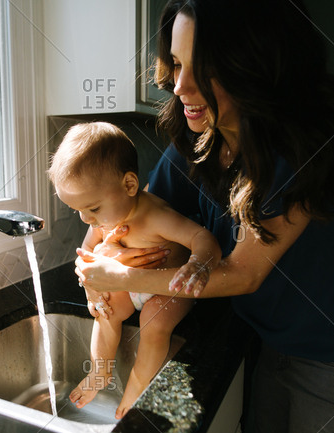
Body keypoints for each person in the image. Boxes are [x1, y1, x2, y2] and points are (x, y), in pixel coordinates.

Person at [74, 1, 334, 432]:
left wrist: (119, 278)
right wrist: (95, 278)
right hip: (270, 343)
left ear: (256, 67)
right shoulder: (195, 144)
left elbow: (242, 273)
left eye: (206, 69)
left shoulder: (306, 145)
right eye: (176, 64)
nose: (179, 86)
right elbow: (130, 219)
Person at [48, 121, 221, 419]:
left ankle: (135, 392)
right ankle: (99, 373)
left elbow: (203, 238)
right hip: (130, 286)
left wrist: (197, 264)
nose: (87, 220)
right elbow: (87, 254)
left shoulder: (156, 215)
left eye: (93, 208)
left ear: (129, 185)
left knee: (154, 322)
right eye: (78, 211)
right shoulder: (104, 218)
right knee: (105, 311)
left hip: (169, 288)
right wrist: (92, 286)